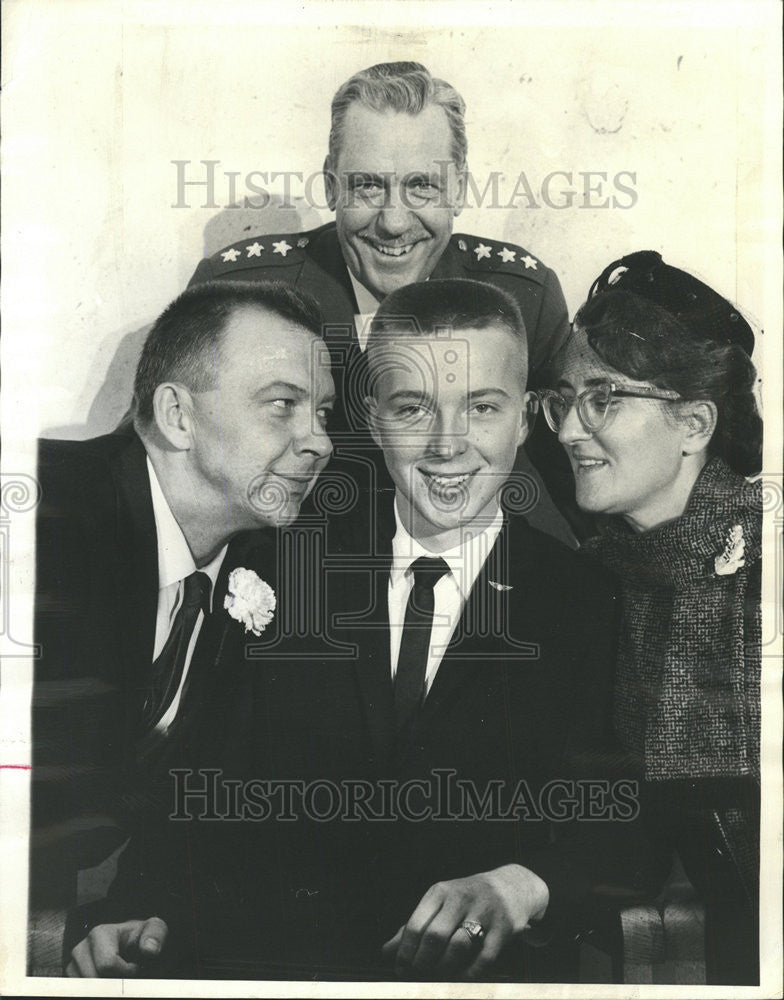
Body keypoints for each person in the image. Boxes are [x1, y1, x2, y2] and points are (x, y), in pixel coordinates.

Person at [66, 278, 657, 981]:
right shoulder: (282, 559)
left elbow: (633, 823)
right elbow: (196, 780)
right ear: (373, 420)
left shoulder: (587, 600)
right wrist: (132, 908)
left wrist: (524, 885)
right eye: (413, 409)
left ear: (525, 420)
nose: (447, 444)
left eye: (482, 407)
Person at [31, 279, 335, 971]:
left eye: (321, 412)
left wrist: (121, 918)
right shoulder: (38, 516)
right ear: (177, 415)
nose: (318, 441)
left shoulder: (275, 559)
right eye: (282, 406)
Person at [188, 60, 580, 546]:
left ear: (458, 189)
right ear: (331, 186)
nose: (394, 222)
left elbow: (576, 478)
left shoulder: (523, 295)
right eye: (368, 185)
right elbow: (164, 463)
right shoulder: (242, 293)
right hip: (294, 579)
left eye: (422, 186)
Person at [539, 250, 762, 984]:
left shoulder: (766, 571)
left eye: (603, 398)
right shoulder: (601, 573)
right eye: (562, 398)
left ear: (694, 422)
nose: (569, 428)